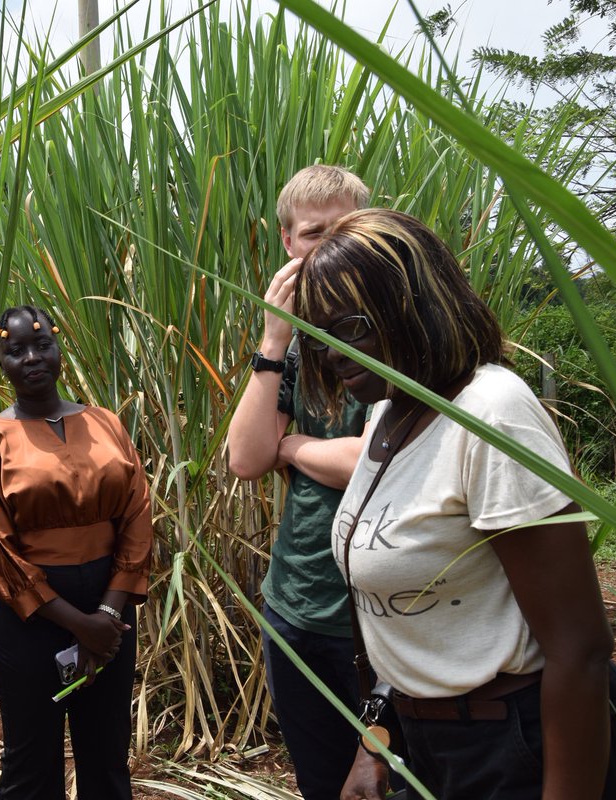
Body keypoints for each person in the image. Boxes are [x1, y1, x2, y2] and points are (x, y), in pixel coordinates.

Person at [294, 208, 614, 799]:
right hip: (429, 745)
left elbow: (581, 649)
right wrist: (376, 740)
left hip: (512, 746)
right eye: (318, 334)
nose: (334, 353)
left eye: (353, 326)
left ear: (414, 307)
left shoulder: (490, 414)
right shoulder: (391, 412)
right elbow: (409, 618)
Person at [0, 305, 153, 799]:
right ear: (0, 360)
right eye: (15, 350)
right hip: (31, 623)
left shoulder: (106, 423)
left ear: (59, 348)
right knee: (31, 763)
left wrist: (107, 614)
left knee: (107, 755)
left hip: (111, 617)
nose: (32, 358)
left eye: (42, 345)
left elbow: (136, 514)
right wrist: (80, 624)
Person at [225, 165, 372, 799]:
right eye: (315, 232)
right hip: (296, 605)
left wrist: (294, 444)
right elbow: (245, 457)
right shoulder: (292, 348)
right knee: (322, 781)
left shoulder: (389, 337)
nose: (330, 244)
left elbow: (374, 460)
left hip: (378, 617)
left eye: (345, 228)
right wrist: (273, 338)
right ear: (288, 242)